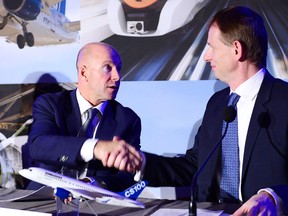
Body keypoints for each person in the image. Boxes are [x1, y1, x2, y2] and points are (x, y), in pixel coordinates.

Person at [105, 6, 288, 215]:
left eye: (212, 47)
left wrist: (273, 197)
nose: (206, 56)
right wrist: (141, 163)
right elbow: (194, 166)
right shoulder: (217, 104)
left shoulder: (284, 101)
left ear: (236, 50)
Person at [27, 42, 142, 192]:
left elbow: (128, 174)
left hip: (96, 205)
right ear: (83, 73)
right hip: (44, 198)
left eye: (118, 69)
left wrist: (94, 184)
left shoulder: (128, 119)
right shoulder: (50, 104)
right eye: (108, 68)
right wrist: (95, 147)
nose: (117, 76)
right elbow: (39, 145)